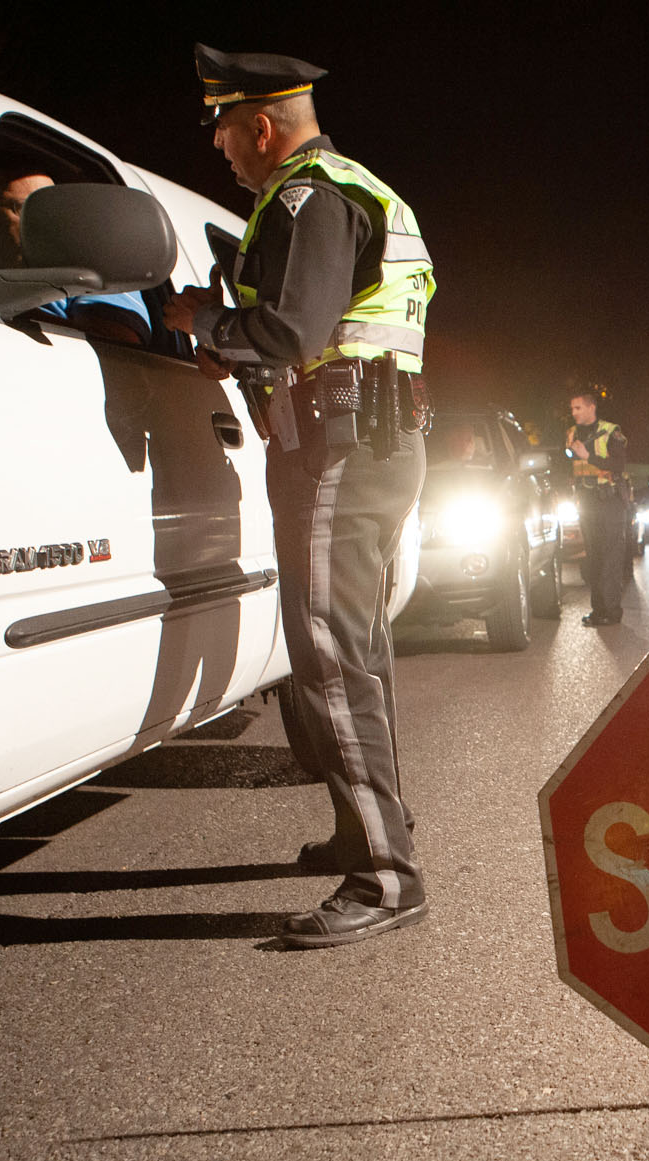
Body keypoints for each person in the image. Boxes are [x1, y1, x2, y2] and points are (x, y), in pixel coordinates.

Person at [162, 43, 435, 948]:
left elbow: (288, 329)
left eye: (227, 135)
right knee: (354, 647)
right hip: (370, 441)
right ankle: (373, 833)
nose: (222, 152)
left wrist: (200, 320)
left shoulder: (306, 195)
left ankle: (386, 877)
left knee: (328, 652)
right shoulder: (353, 187)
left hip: (343, 448)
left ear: (263, 126)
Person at [0, 170, 153, 345]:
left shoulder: (94, 263)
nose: (47, 223)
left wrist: (1, 310)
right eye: (28, 210)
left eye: (52, 212)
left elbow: (118, 348)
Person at [565, 390, 631, 626]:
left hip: (610, 501)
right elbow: (568, 466)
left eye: (578, 408)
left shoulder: (611, 431)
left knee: (611, 558)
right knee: (594, 557)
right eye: (572, 408)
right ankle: (598, 610)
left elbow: (619, 464)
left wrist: (588, 455)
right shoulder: (571, 434)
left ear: (591, 408)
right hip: (587, 502)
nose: (573, 413)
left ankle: (612, 612)